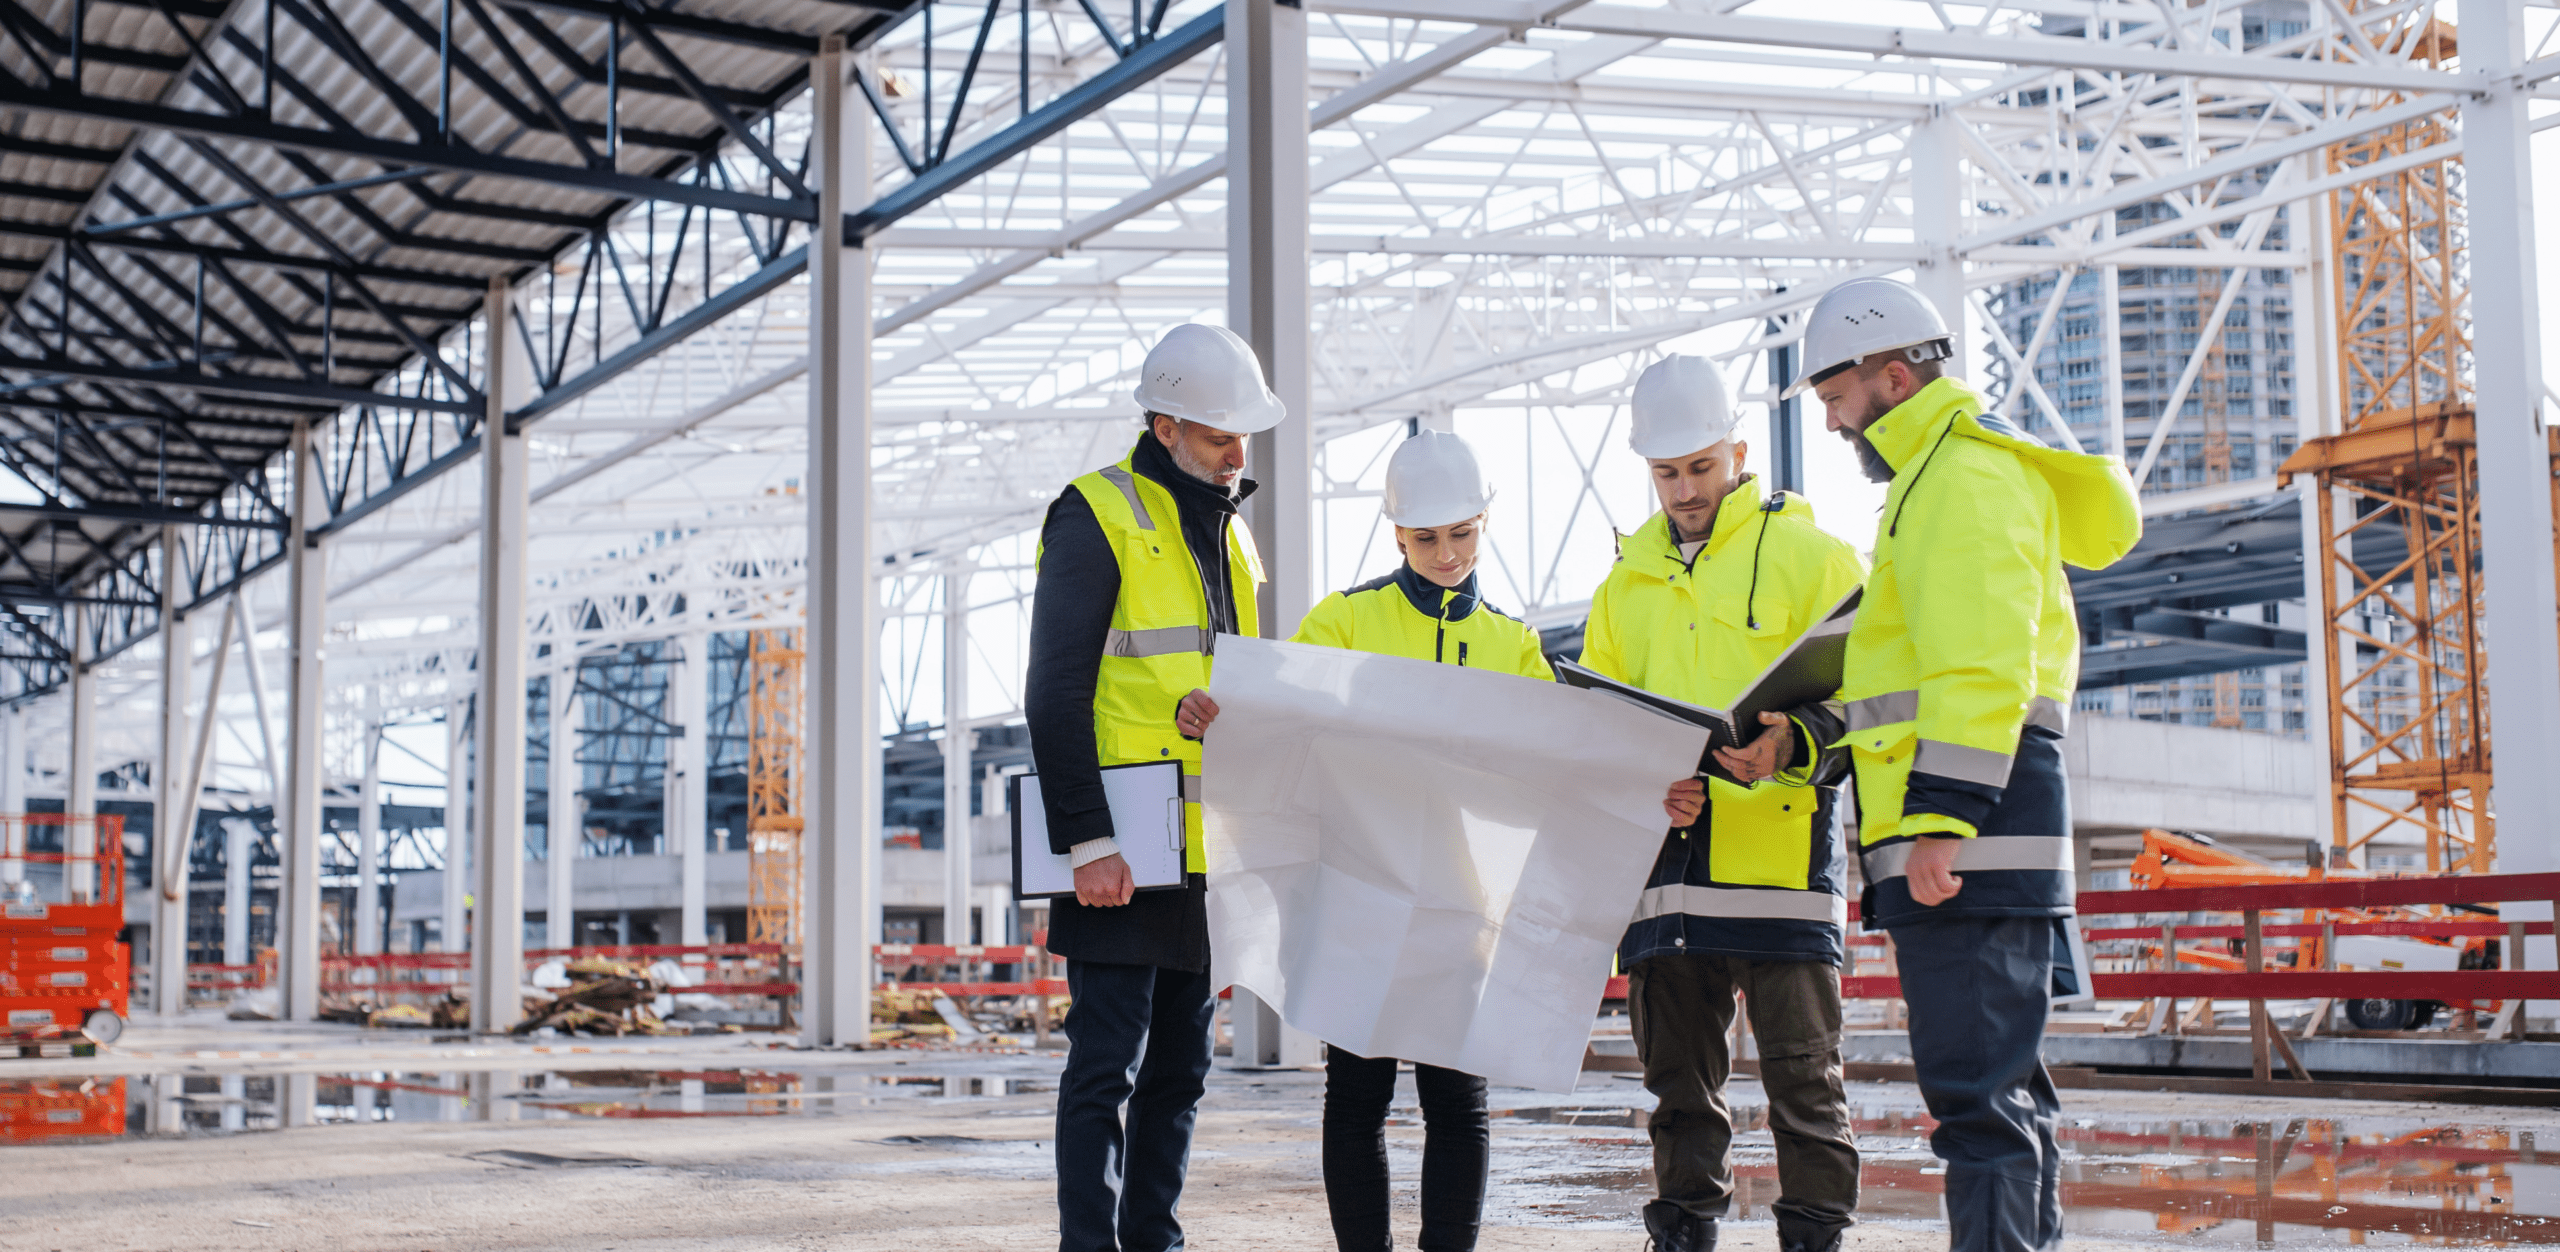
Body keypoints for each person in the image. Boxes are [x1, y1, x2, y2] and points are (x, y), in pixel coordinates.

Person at [1179, 429, 1705, 1252]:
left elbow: (1566, 762)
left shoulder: (1511, 645)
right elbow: (1279, 714)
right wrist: (1221, 713)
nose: (1446, 552)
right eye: (1426, 537)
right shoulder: (1345, 623)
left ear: (1484, 523)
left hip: (1462, 904)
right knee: (1356, 1098)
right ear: (1396, 535)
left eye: (1461, 533)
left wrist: (1649, 789)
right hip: (1356, 892)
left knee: (1456, 1100)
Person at [1788, 277, 2138, 1252]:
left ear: (1890, 377)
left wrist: (1942, 818)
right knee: (2003, 1097)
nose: (1830, 424)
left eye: (1834, 399)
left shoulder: (1960, 478)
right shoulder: (1936, 479)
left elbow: (1979, 663)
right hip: (1970, 836)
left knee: (1977, 1102)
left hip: (1967, 839)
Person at [1577, 355, 1869, 1252]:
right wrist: (1637, 780)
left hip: (1782, 873)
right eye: (1667, 474)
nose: (1685, 490)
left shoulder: (1814, 559)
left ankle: (1816, 1240)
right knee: (1677, 1096)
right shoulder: (1622, 588)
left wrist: (1793, 741)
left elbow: (1874, 695)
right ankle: (1683, 1238)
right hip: (1667, 886)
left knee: (1806, 1089)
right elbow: (1596, 731)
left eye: (1701, 468)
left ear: (1737, 452)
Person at [1026, 322, 1286, 1252]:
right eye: (1222, 435)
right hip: (1124, 849)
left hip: (1205, 851)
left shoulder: (1237, 541)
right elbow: (1054, 689)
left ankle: (1155, 1245)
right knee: (1105, 1069)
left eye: (1242, 436)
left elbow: (1241, 685)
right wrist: (1087, 842)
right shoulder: (1095, 514)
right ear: (1167, 425)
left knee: (1179, 1077)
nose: (1237, 453)